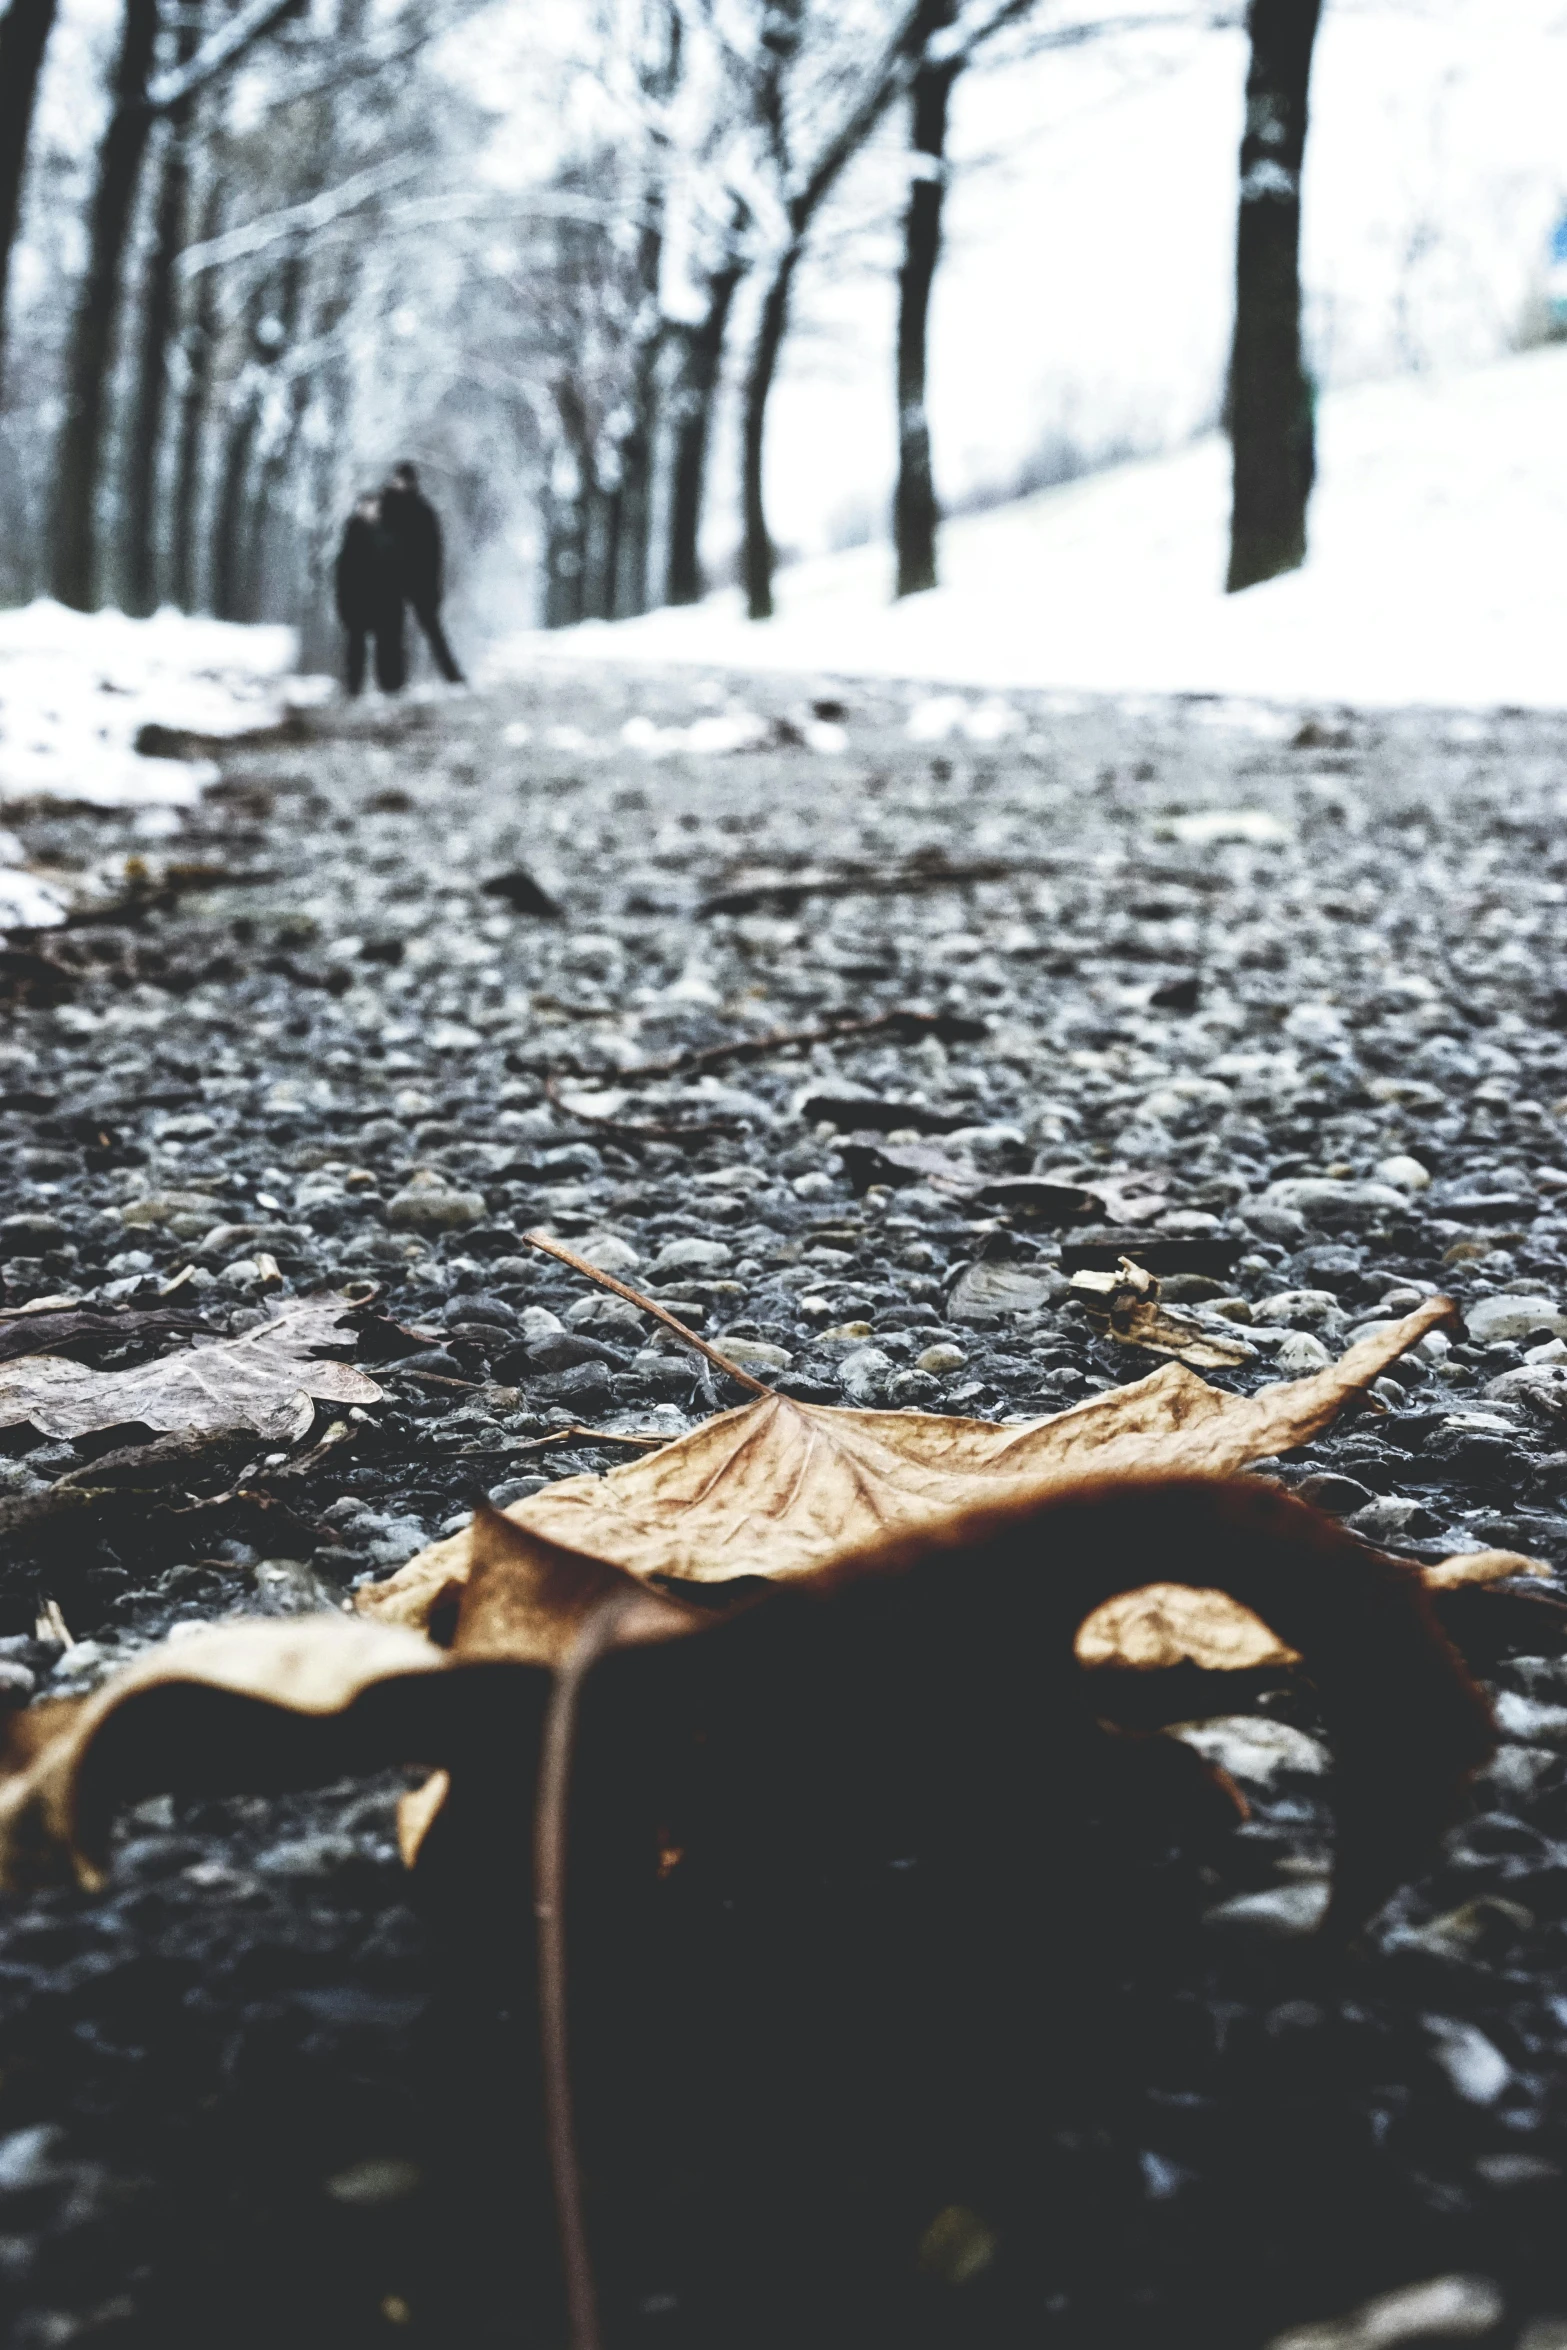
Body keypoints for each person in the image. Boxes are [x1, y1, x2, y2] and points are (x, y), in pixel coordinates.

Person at [379, 460, 465, 683]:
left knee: (429, 631)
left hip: (417, 581)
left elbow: (435, 552)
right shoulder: (392, 508)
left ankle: (449, 677)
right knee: (394, 633)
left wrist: (434, 585)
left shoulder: (421, 511)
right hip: (395, 580)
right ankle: (393, 681)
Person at [334, 493, 405, 695]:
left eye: (373, 506)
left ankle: (389, 687)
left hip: (384, 601)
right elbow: (344, 571)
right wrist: (343, 601)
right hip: (357, 601)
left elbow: (396, 567)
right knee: (356, 647)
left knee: (386, 646)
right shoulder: (352, 531)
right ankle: (354, 689)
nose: (369, 510)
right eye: (365, 506)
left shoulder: (388, 532)